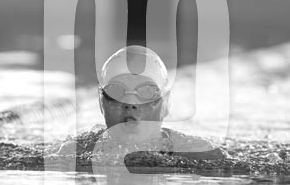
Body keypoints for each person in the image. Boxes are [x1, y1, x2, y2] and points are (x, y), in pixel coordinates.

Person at [56, 45, 227, 161]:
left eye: (146, 92)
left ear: (165, 104)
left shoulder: (200, 153)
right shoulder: (73, 152)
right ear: (102, 102)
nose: (130, 103)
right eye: (116, 91)